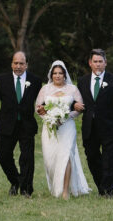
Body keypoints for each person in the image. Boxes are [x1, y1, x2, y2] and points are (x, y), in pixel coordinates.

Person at [0, 51, 42, 197]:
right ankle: (15, 181)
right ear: (11, 64)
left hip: (26, 125)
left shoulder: (35, 81)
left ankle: (26, 189)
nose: (18, 66)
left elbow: (42, 101)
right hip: (6, 125)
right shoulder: (2, 80)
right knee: (3, 156)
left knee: (27, 158)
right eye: (16, 63)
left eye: (21, 63)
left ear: (26, 65)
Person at [77, 48, 113, 197]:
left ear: (105, 63)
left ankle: (108, 190)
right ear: (90, 63)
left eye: (101, 61)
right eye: (95, 61)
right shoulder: (82, 81)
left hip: (109, 127)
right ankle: (102, 186)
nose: (98, 64)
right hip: (89, 127)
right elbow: (76, 101)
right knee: (91, 157)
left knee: (108, 160)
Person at [35, 60, 89, 199]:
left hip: (67, 127)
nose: (57, 76)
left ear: (65, 75)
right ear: (51, 75)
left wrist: (66, 116)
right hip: (50, 128)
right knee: (50, 159)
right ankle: (56, 186)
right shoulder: (45, 89)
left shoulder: (72, 89)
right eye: (55, 73)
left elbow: (80, 108)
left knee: (66, 156)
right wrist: (50, 118)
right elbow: (38, 108)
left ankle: (65, 191)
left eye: (60, 73)